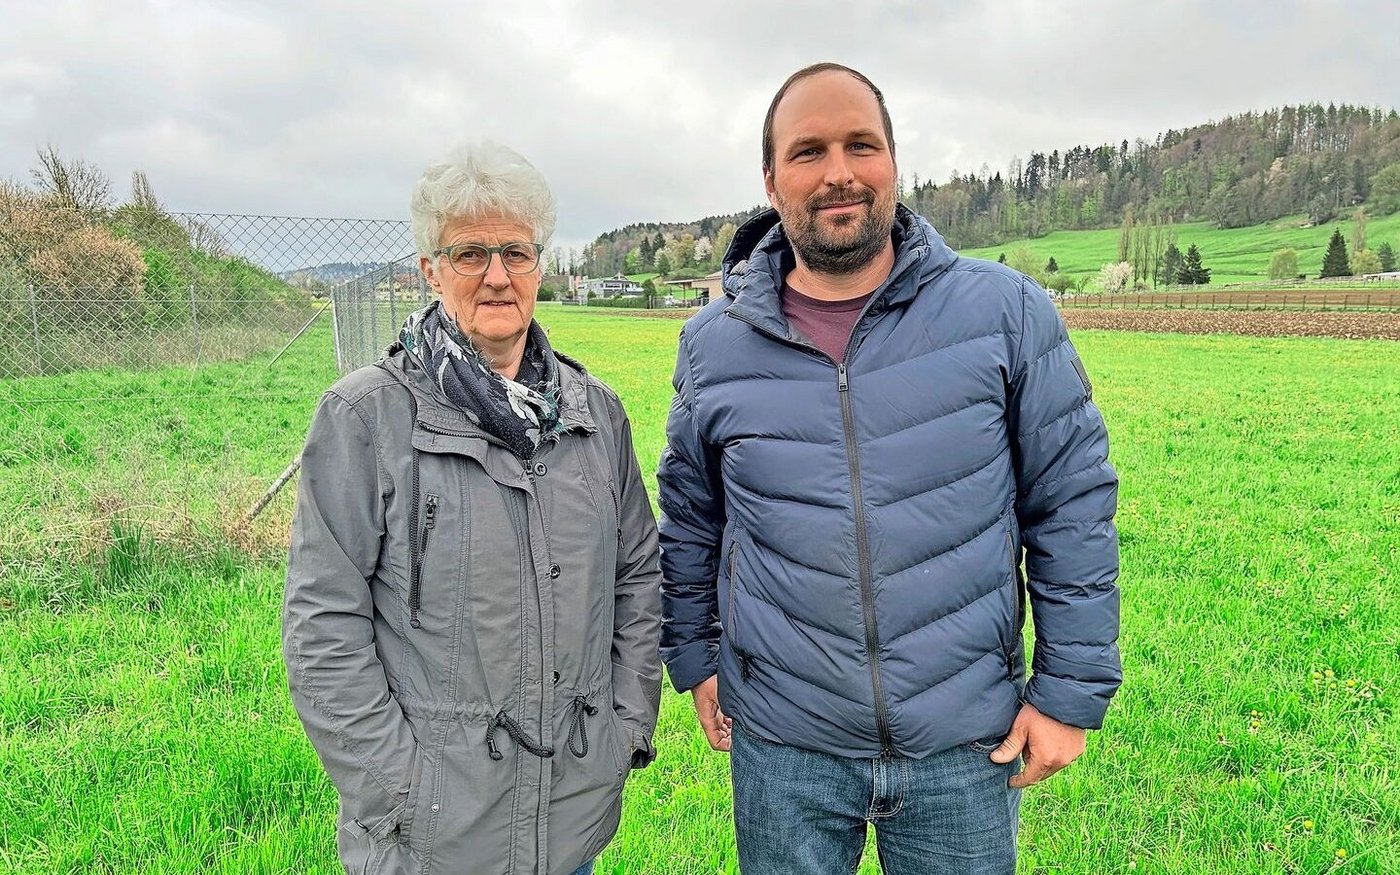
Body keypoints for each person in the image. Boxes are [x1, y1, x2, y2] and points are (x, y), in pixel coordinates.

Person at [657, 63, 1120, 874]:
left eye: (860, 145)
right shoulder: (713, 345)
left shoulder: (1005, 313)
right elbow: (692, 518)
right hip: (784, 746)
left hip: (964, 742)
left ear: (894, 162)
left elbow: (1071, 504)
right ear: (770, 180)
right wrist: (694, 654)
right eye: (808, 152)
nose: (838, 172)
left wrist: (1068, 691)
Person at [283, 141, 662, 875]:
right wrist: (407, 790)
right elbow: (323, 625)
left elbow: (638, 577)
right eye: (470, 254)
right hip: (432, 841)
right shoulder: (366, 417)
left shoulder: (596, 415)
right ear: (431, 269)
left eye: (516, 252)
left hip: (570, 822)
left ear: (540, 266)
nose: (497, 275)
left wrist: (622, 729)